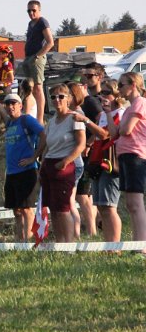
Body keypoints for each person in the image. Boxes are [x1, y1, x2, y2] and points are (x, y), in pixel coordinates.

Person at [37, 83, 86, 243]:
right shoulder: (52, 121)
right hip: (49, 164)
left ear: (68, 99)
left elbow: (81, 145)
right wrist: (42, 165)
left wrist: (66, 161)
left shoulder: (75, 118)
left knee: (64, 208)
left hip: (64, 165)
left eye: (61, 96)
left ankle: (69, 244)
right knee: (53, 207)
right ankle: (59, 243)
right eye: (53, 97)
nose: (56, 99)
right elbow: (47, 146)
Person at [83, 79, 124, 245]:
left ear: (117, 95)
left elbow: (111, 135)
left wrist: (106, 114)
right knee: (101, 206)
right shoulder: (104, 116)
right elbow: (99, 136)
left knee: (109, 206)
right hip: (98, 161)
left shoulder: (120, 113)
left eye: (107, 93)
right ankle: (108, 245)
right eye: (101, 93)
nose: (102, 96)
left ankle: (115, 245)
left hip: (112, 163)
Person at [1, 93, 44, 241]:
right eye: (7, 104)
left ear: (20, 105)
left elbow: (43, 134)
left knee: (26, 209)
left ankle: (29, 241)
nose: (10, 107)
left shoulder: (27, 120)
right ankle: (20, 240)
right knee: (17, 210)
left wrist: (34, 156)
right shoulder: (9, 123)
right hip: (11, 172)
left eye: (13, 103)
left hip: (26, 170)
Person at [111, 72, 146, 252]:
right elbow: (115, 132)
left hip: (136, 155)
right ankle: (136, 242)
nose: (119, 89)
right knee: (130, 203)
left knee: (136, 202)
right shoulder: (129, 108)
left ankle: (142, 246)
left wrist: (121, 128)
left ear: (133, 85)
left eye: (121, 85)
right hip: (126, 155)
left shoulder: (140, 103)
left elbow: (125, 130)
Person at [69, 81, 101, 237]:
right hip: (83, 155)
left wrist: (89, 143)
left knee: (83, 196)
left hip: (85, 156)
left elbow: (101, 124)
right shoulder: (75, 111)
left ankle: (92, 231)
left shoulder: (85, 106)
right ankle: (93, 229)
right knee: (85, 196)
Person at [24, 0, 54, 125]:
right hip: (29, 57)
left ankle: (40, 119)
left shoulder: (42, 22)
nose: (31, 13)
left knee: (38, 87)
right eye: (28, 11)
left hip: (37, 58)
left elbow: (50, 42)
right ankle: (30, 115)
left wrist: (37, 56)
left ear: (39, 10)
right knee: (29, 87)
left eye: (33, 10)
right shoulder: (30, 23)